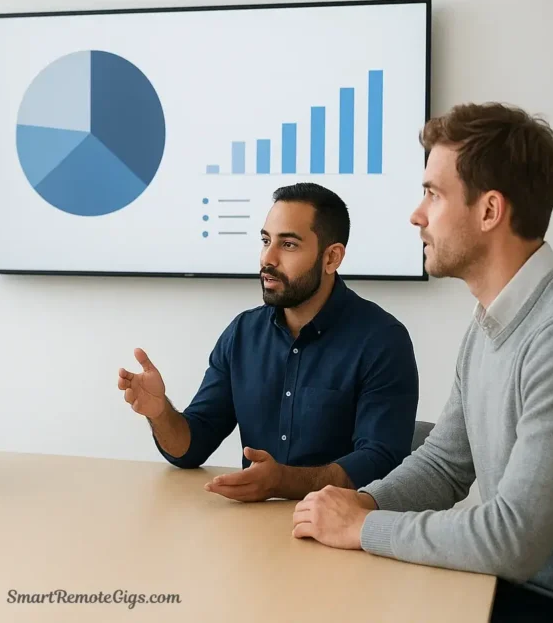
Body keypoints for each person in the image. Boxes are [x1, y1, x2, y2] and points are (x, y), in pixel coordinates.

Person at [292, 103, 553, 622]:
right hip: (505, 588)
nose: (417, 214)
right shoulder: (492, 318)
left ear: (488, 211)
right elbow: (444, 463)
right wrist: (363, 505)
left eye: (433, 194)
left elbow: (513, 539)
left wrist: (362, 528)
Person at [118, 183, 419, 501]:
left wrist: (283, 482)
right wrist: (160, 412)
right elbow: (191, 447)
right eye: (265, 241)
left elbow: (381, 462)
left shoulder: (382, 340)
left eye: (288, 245)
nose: (267, 258)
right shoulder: (242, 333)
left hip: (340, 532)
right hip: (253, 533)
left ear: (331, 258)